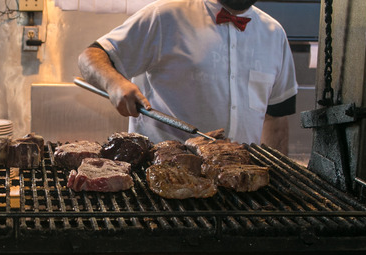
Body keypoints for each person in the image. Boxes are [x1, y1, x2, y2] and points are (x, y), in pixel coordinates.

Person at [78, 0, 298, 152]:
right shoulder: (164, 15)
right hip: (167, 174)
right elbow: (90, 57)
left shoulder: (274, 34)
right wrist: (115, 83)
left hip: (239, 184)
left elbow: (276, 117)